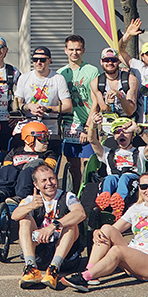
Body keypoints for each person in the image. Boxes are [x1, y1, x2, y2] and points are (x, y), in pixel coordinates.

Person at [66, 171, 148, 291]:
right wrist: (97, 231)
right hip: (134, 255)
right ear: (139, 189)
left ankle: (84, 278)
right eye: (144, 187)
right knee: (106, 228)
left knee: (117, 250)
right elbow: (113, 229)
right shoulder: (136, 208)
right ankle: (90, 271)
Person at [13, 161, 86, 290]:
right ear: (36, 184)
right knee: (24, 220)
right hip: (41, 252)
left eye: (52, 178)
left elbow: (80, 213)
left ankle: (54, 269)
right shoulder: (32, 199)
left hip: (66, 257)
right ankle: (31, 268)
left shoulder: (68, 196)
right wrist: (31, 206)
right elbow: (14, 216)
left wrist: (53, 226)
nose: (49, 183)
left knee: (71, 225)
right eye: (44, 180)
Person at [86, 113, 148, 205]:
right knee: (110, 178)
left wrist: (138, 130)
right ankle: (104, 199)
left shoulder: (140, 152)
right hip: (113, 178)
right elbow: (92, 141)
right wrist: (93, 124)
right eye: (117, 132)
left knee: (125, 177)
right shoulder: (108, 152)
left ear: (132, 136)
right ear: (114, 136)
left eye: (125, 131)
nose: (121, 134)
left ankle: (119, 201)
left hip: (133, 180)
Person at [58, 35, 98, 185]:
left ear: (83, 50)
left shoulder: (91, 70)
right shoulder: (61, 73)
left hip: (87, 120)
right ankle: (75, 196)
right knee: (73, 165)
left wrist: (89, 126)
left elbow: (95, 101)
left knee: (89, 163)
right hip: (69, 123)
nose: (74, 53)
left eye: (78, 49)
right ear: (65, 50)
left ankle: (88, 193)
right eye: (71, 49)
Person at [14, 46, 71, 138]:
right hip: (27, 127)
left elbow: (68, 106)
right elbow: (15, 104)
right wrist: (28, 106)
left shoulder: (58, 78)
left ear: (49, 61)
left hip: (49, 129)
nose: (38, 62)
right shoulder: (24, 77)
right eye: (35, 59)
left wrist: (47, 109)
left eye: (42, 60)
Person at [91, 47, 138, 119]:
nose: (110, 63)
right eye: (106, 60)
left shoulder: (130, 79)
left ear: (119, 62)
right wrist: (108, 103)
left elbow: (130, 111)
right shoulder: (96, 82)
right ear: (101, 62)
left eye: (113, 60)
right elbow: (104, 109)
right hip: (108, 127)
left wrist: (120, 96)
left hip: (127, 126)